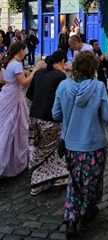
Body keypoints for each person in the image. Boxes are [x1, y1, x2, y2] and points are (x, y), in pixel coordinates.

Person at [52, 51, 108, 237]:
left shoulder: (63, 86)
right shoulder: (99, 87)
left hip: (71, 144)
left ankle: (71, 217)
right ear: (93, 68)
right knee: (92, 181)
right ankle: (88, 210)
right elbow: (107, 116)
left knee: (74, 181)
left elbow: (56, 114)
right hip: (94, 144)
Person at [26, 50, 68, 196]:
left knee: (44, 148)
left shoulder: (39, 73)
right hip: (50, 118)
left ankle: (58, 177)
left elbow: (30, 95)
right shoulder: (61, 76)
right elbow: (63, 99)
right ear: (62, 61)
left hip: (34, 116)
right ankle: (38, 181)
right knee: (47, 149)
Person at [0, 42, 45, 177]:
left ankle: (12, 160)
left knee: (11, 127)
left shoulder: (11, 63)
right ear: (19, 50)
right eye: (24, 50)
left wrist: (25, 73)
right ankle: (12, 161)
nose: (25, 52)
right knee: (14, 128)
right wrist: (36, 69)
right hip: (14, 97)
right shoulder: (16, 64)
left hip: (9, 95)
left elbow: (5, 79)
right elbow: (24, 83)